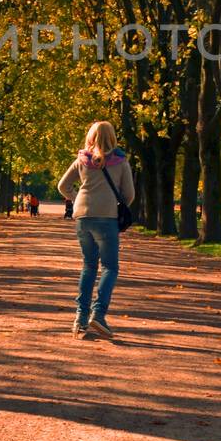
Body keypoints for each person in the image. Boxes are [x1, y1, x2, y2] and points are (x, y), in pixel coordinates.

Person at [57, 120, 134, 341]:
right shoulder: (120, 161)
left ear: (91, 137)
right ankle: (98, 314)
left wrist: (76, 198)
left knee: (88, 265)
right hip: (107, 217)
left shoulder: (82, 160)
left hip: (83, 217)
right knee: (110, 267)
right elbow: (129, 195)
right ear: (112, 137)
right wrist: (113, 203)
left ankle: (80, 317)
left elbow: (63, 185)